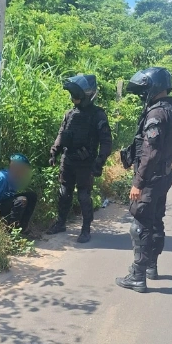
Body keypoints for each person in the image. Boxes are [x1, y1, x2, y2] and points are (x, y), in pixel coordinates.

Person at [115, 67, 172, 292]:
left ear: (155, 87)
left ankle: (137, 277)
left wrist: (138, 182)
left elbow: (149, 152)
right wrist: (167, 160)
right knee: (156, 220)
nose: (142, 95)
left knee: (140, 224)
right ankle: (151, 267)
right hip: (164, 175)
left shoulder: (157, 114)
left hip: (149, 178)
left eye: (145, 90)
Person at [45, 74, 112, 243]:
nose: (74, 99)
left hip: (85, 163)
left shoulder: (98, 115)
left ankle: (86, 229)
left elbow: (106, 142)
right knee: (64, 193)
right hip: (68, 159)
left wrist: (99, 162)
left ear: (88, 95)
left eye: (77, 96)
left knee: (83, 196)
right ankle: (61, 223)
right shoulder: (70, 114)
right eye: (73, 96)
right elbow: (62, 134)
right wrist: (54, 152)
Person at [0, 153, 38, 233]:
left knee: (32, 196)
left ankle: (22, 228)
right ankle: (10, 231)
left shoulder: (16, 178)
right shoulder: (2, 178)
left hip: (6, 202)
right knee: (21, 200)